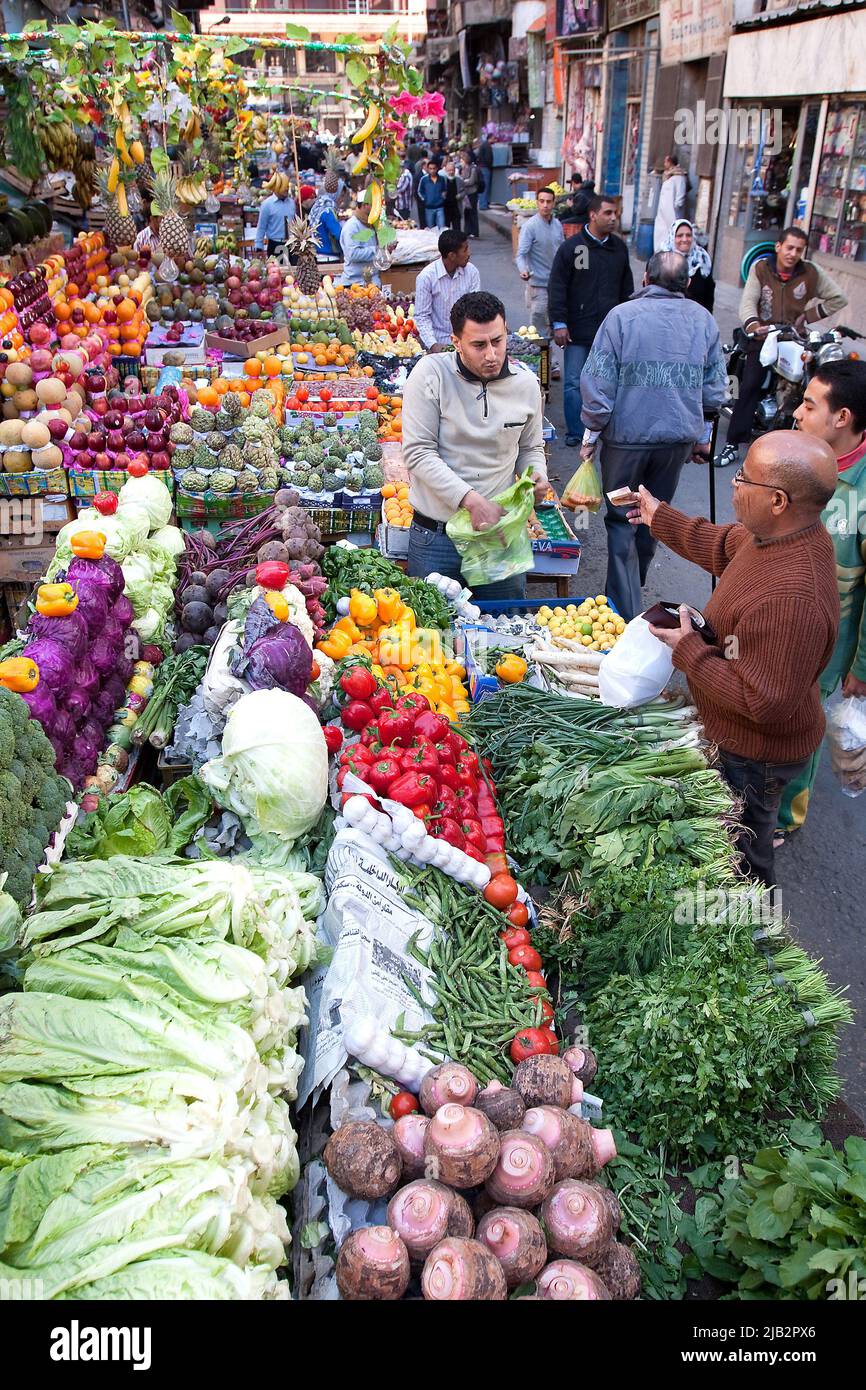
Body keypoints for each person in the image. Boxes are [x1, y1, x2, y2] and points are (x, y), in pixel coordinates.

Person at [626, 431, 840, 886]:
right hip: (739, 732)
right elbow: (723, 545)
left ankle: (757, 936)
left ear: (779, 500)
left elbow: (763, 702)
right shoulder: (773, 537)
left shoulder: (792, 596)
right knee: (729, 837)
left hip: (755, 752)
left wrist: (689, 651)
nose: (733, 484)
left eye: (743, 479)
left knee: (745, 851)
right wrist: (659, 517)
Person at [579, 250, 728, 621]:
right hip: (675, 441)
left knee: (620, 518)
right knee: (652, 516)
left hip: (625, 440)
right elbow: (714, 389)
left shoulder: (621, 317)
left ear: (645, 279)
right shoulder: (703, 320)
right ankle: (633, 583)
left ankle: (626, 611)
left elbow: (598, 380)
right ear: (688, 284)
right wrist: (703, 436)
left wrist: (590, 432)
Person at [401, 290, 549, 601]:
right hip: (437, 538)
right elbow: (418, 452)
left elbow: (530, 448)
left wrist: (536, 475)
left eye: (497, 341)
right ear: (456, 342)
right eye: (479, 345)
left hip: (500, 537)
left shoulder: (526, 385)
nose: (492, 354)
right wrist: (470, 500)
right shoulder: (430, 375)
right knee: (431, 640)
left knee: (504, 637)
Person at [776, 361, 866, 838]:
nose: (796, 413)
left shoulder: (862, 489)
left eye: (809, 405)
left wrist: (862, 669)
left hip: (833, 638)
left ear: (842, 418)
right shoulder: (802, 459)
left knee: (803, 721)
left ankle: (785, 815)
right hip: (779, 618)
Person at [716, 226, 848, 468]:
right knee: (751, 385)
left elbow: (839, 298)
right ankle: (732, 444)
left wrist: (807, 316)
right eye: (789, 247)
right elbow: (748, 302)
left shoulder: (810, 272)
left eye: (799, 249)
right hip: (764, 337)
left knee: (813, 382)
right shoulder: (761, 269)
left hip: (794, 337)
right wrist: (755, 325)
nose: (793, 253)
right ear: (778, 247)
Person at [548, 195, 633, 447]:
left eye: (615, 213)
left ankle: (603, 430)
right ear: (593, 215)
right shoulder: (574, 248)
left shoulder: (618, 248)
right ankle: (576, 432)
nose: (613, 218)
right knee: (574, 381)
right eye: (608, 213)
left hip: (610, 332)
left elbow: (626, 290)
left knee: (608, 382)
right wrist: (559, 322)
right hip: (576, 331)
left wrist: (627, 323)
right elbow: (558, 286)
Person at [516, 187, 565, 380]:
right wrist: (523, 270)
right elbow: (521, 254)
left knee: (554, 327)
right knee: (539, 331)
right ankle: (542, 370)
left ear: (554, 203)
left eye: (549, 201)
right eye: (542, 201)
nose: (545, 205)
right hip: (538, 286)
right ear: (537, 203)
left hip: (557, 285)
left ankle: (548, 364)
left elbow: (562, 251)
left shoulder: (557, 225)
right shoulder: (530, 226)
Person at [413, 229, 481, 352]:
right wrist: (433, 345)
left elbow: (475, 309)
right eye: (465, 250)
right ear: (452, 256)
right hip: (439, 342)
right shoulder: (426, 277)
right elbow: (422, 316)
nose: (469, 253)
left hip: (466, 342)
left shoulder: (472, 272)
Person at [661, 219, 715, 312]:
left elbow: (709, 297)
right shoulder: (662, 261)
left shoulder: (702, 260)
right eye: (679, 235)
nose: (685, 239)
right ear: (672, 237)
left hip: (695, 319)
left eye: (688, 235)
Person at [338, 200, 381, 288]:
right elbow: (353, 254)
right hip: (355, 284)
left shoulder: (371, 223)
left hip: (372, 281)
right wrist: (378, 250)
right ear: (365, 205)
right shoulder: (352, 226)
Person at [653, 155, 687, 252]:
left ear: (670, 162)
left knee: (672, 236)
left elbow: (680, 197)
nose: (664, 164)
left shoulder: (679, 177)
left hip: (672, 214)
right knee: (660, 236)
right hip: (662, 214)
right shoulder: (667, 175)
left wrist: (676, 207)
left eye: (665, 162)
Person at [253, 182, 297, 256]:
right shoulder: (267, 204)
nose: (286, 189)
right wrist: (259, 246)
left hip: (291, 244)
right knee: (277, 267)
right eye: (283, 187)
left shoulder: (292, 203)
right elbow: (261, 226)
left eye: (287, 186)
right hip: (275, 244)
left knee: (292, 267)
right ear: (276, 188)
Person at [308, 171, 342, 260]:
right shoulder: (328, 210)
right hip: (329, 255)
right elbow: (338, 234)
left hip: (317, 252)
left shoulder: (318, 205)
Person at [418, 160, 447, 230]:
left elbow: (444, 190)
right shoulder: (424, 179)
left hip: (440, 207)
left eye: (434, 168)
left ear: (437, 169)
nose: (432, 171)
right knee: (430, 229)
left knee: (442, 227)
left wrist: (443, 198)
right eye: (430, 169)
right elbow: (419, 191)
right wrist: (425, 199)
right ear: (428, 169)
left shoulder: (442, 179)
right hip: (429, 208)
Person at [459, 149, 481, 239]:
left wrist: (462, 182)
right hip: (465, 194)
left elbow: (472, 181)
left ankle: (475, 231)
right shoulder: (463, 169)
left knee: (473, 212)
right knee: (466, 212)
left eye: (461, 160)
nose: (460, 162)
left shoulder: (473, 168)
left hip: (472, 193)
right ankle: (467, 231)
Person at [441, 158, 462, 233]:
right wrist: (443, 195)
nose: (451, 172)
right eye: (449, 170)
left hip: (456, 206)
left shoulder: (459, 180)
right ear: (446, 170)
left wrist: (460, 195)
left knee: (457, 227)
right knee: (446, 227)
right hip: (446, 207)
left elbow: (463, 191)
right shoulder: (443, 180)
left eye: (452, 170)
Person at [476, 136, 494, 210]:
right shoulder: (487, 146)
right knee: (485, 186)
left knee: (483, 186)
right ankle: (483, 205)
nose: (495, 140)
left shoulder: (484, 145)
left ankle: (483, 204)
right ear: (490, 138)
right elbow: (488, 158)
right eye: (494, 138)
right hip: (485, 168)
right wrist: (490, 165)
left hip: (482, 167)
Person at [413, 147, 429, 228]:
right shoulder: (418, 176)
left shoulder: (432, 175)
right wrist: (421, 201)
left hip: (430, 203)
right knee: (423, 222)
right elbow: (416, 191)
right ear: (423, 166)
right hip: (422, 203)